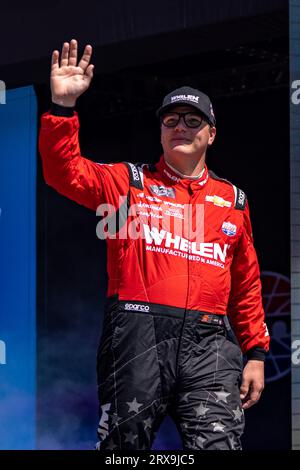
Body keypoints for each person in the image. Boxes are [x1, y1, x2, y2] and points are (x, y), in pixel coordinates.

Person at [39, 39, 270, 451]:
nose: (180, 126)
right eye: (171, 120)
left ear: (211, 134)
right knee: (123, 450)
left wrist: (254, 351)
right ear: (160, 131)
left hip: (210, 342)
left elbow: (247, 284)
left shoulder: (234, 201)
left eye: (192, 120)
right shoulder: (128, 182)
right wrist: (62, 109)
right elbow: (64, 172)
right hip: (137, 334)